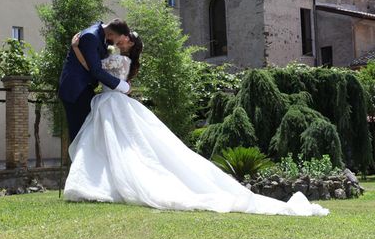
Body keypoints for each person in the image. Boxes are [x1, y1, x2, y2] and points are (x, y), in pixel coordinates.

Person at [63, 31, 329, 216]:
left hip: (111, 103)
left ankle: (97, 185)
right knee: (116, 145)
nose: (121, 39)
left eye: (126, 38)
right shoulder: (126, 61)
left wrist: (77, 48)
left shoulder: (119, 59)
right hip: (110, 102)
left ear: (130, 45)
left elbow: (94, 68)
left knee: (114, 144)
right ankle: (100, 184)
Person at [59, 19, 134, 143]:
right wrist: (123, 86)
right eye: (117, 40)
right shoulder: (91, 36)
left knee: (90, 134)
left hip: (85, 89)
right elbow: (96, 71)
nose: (116, 44)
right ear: (111, 34)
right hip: (76, 90)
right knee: (81, 135)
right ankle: (78, 162)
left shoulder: (100, 34)